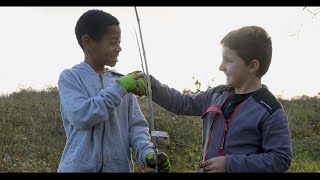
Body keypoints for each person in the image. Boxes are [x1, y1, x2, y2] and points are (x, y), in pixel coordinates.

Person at [118, 26, 292, 172]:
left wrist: (230, 164)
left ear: (253, 66)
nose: (221, 66)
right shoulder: (216, 95)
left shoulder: (270, 110)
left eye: (228, 60)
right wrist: (152, 86)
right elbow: (181, 102)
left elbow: (280, 159)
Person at [57, 9, 171, 173]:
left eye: (119, 42)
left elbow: (136, 127)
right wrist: (120, 87)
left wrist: (148, 153)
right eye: (112, 42)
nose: (119, 48)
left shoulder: (122, 81)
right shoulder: (70, 78)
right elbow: (82, 115)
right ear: (88, 42)